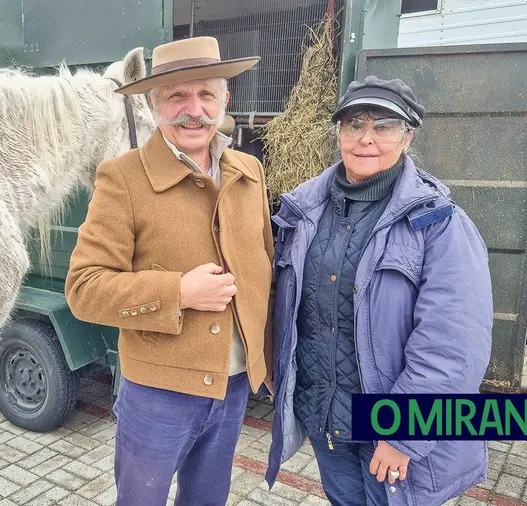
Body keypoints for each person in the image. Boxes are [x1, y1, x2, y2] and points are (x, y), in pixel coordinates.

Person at [65, 36, 276, 506]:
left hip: (235, 384)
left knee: (207, 498)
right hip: (159, 392)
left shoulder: (249, 171)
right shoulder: (123, 178)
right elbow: (83, 288)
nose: (193, 109)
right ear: (154, 103)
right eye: (176, 96)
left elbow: (264, 265)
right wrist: (177, 291)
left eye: (205, 94)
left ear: (226, 99)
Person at [264, 76, 494, 505]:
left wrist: (405, 434)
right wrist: (278, 369)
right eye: (354, 124)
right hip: (327, 415)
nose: (366, 138)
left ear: (407, 137)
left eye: (384, 126)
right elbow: (286, 303)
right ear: (338, 135)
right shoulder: (302, 212)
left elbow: (453, 345)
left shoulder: (440, 225)